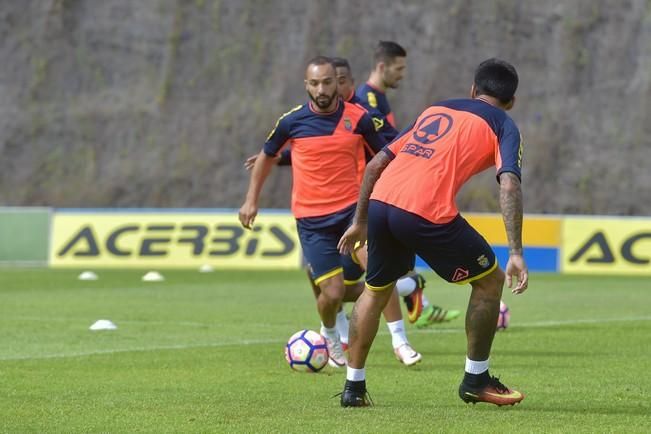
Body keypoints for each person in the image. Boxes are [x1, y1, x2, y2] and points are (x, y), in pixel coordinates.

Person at [337, 58, 529, 407]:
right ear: (511, 101)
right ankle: (476, 380)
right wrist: (515, 251)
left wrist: (360, 219)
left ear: (472, 90)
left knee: (375, 290)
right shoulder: (504, 123)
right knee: (489, 281)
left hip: (382, 203)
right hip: (425, 210)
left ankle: (353, 388)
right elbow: (510, 185)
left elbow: (378, 162)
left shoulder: (436, 108)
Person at [239, 56, 421, 368]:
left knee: (379, 270)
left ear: (336, 83)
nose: (321, 89)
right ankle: (330, 333)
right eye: (314, 83)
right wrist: (250, 200)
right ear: (306, 85)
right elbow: (267, 157)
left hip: (353, 214)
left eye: (327, 82)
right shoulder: (291, 122)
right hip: (312, 221)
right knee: (334, 292)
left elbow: (385, 155)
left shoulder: (359, 118)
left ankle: (400, 340)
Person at [357, 41, 460, 326]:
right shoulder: (367, 99)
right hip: (365, 190)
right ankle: (413, 292)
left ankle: (416, 298)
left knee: (367, 273)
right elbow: (384, 141)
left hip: (383, 188)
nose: (403, 74)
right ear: (382, 66)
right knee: (355, 276)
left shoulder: (380, 98)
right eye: (399, 68)